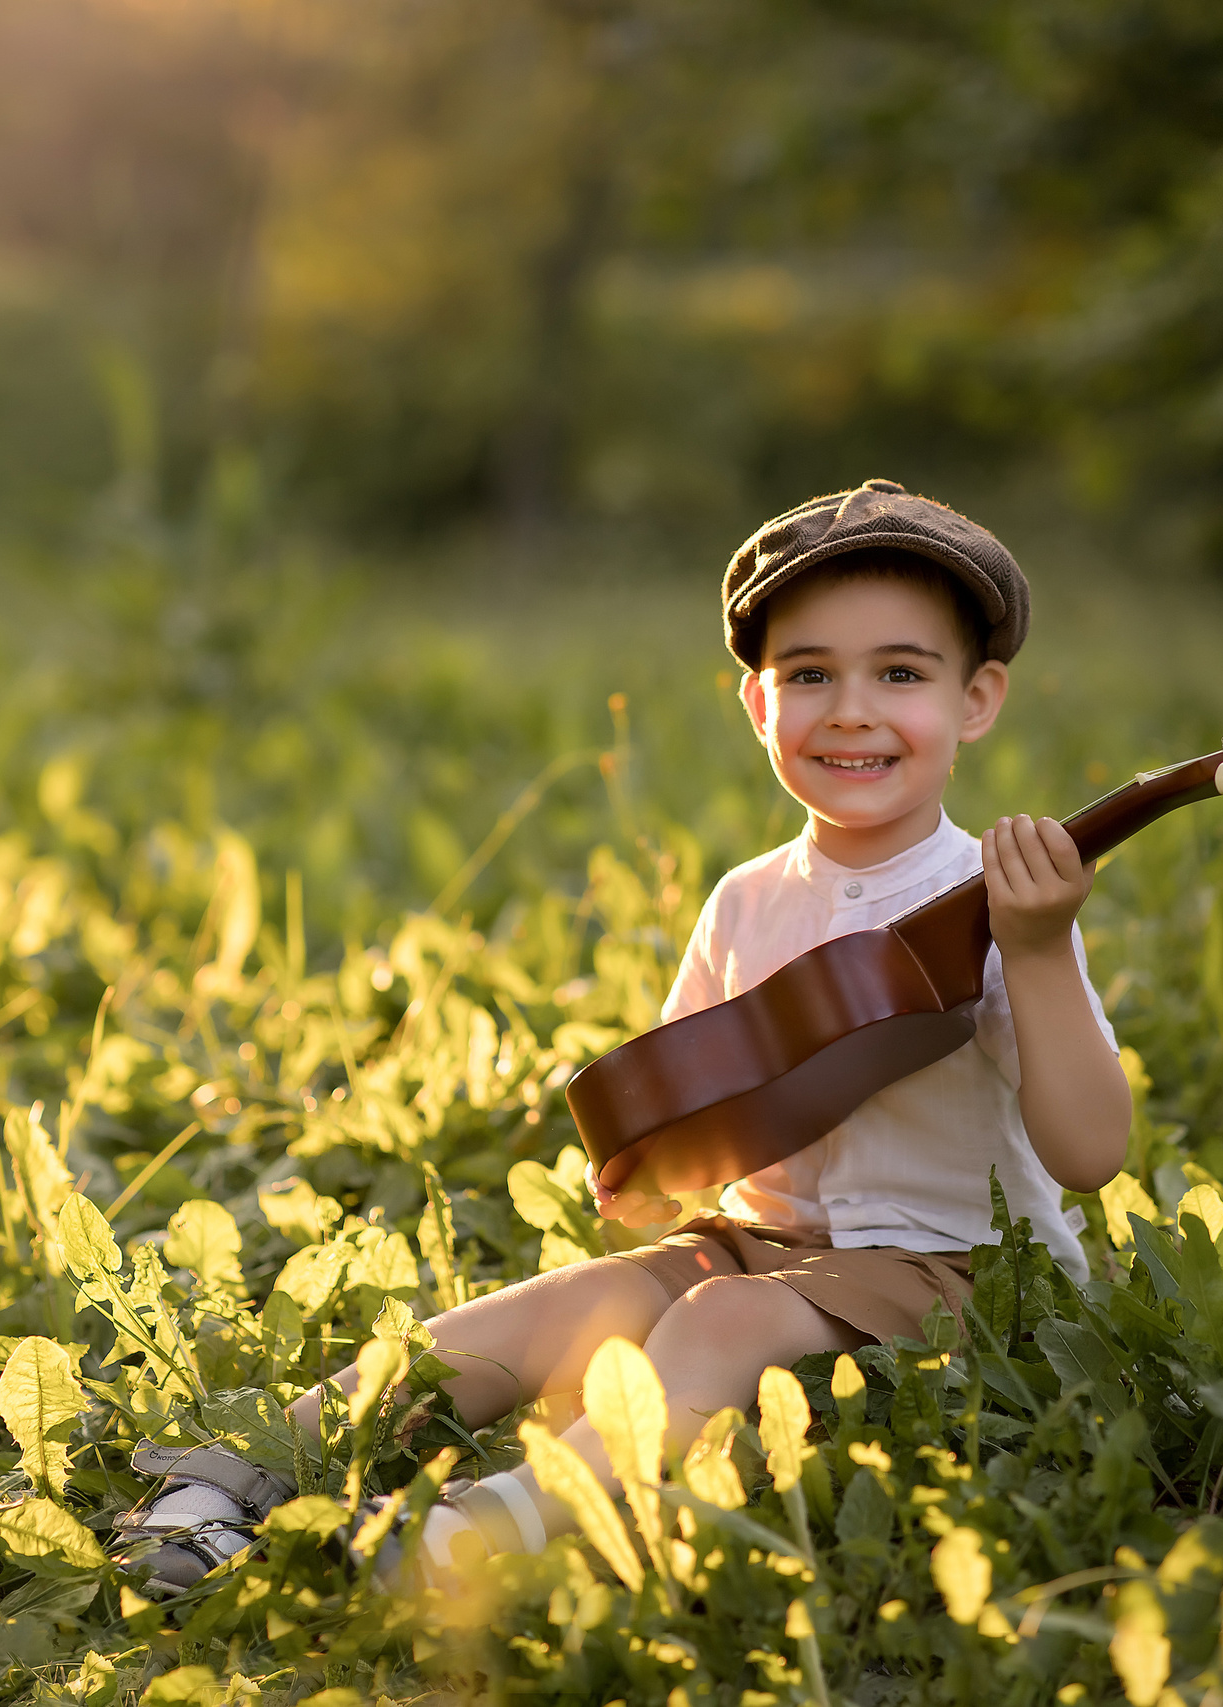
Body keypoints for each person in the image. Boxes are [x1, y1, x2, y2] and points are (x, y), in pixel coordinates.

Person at [117, 478, 1134, 1591]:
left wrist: (1039, 951)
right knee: (560, 1305)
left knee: (722, 1320)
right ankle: (242, 1471)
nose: (850, 710)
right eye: (809, 675)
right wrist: (657, 1172)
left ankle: (475, 1537)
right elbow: (701, 1101)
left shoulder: (998, 900)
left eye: (900, 673)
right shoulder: (745, 900)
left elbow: (1089, 1154)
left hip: (959, 1277)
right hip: (768, 1244)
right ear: (758, 705)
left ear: (977, 700)